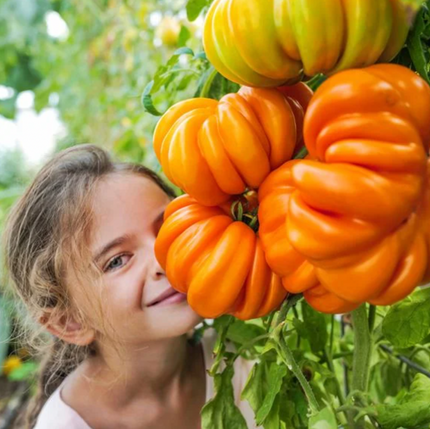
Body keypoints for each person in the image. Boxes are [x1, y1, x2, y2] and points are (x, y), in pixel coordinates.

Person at [3, 144, 257, 429]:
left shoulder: (242, 352)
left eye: (167, 229)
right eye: (117, 261)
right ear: (69, 322)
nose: (164, 259)